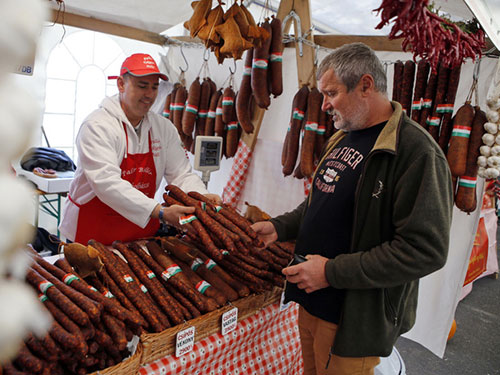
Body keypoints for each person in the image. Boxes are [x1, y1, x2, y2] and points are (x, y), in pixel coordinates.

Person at [251, 43, 453, 375]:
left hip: (353, 319)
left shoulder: (416, 152)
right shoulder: (342, 137)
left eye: (331, 93)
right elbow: (321, 202)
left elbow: (425, 251)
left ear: (365, 85)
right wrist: (280, 227)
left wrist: (330, 272)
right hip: (312, 301)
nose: (325, 104)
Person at [60, 53, 220, 245]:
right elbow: (106, 183)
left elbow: (181, 175)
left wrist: (200, 198)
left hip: (139, 235)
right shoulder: (98, 125)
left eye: (154, 87)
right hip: (91, 233)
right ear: (121, 84)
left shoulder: (163, 128)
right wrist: (160, 212)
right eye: (142, 86)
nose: (150, 95)